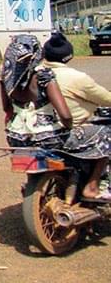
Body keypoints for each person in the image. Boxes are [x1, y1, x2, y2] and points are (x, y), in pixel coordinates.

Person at [42, 32, 111, 200]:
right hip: (66, 133)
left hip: (35, 134)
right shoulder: (77, 78)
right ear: (68, 56)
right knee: (107, 136)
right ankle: (95, 186)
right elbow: (106, 99)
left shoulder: (34, 74)